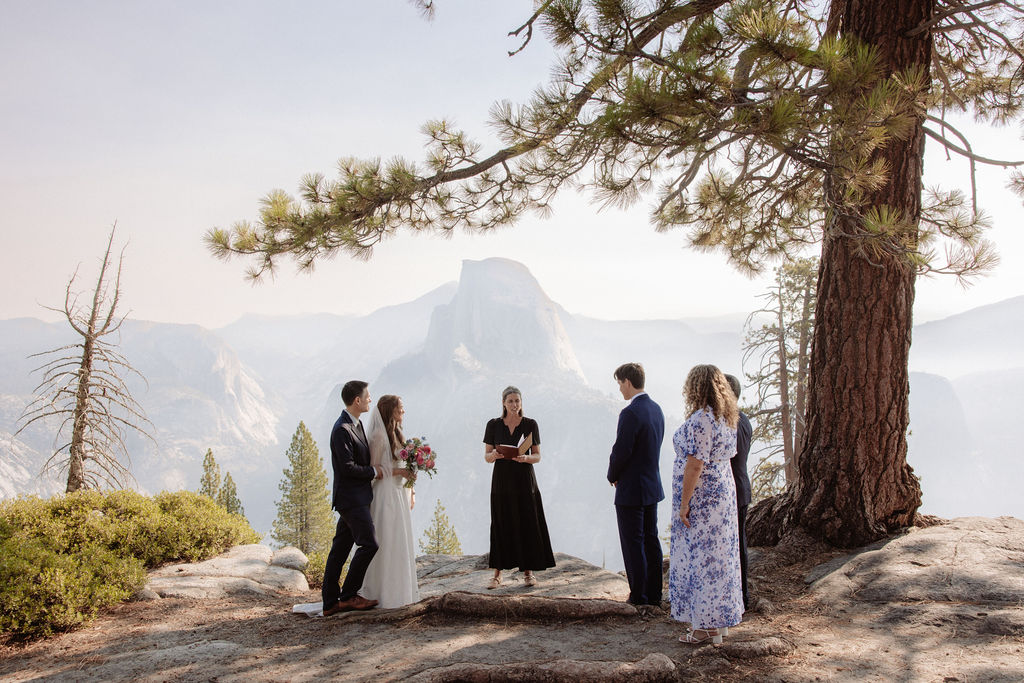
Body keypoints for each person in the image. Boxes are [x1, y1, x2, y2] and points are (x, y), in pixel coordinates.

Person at [321, 380, 412, 616]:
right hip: (351, 498)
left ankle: (331, 602)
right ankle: (349, 595)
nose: (370, 399)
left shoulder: (356, 425)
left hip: (359, 496)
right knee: (369, 544)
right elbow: (348, 467)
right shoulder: (342, 429)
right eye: (367, 396)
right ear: (357, 400)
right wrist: (376, 472)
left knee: (340, 550)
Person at [669, 365, 743, 644]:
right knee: (719, 561)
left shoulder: (702, 419)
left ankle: (703, 628)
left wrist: (685, 503)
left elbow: (695, 465)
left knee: (700, 561)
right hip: (721, 497)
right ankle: (717, 624)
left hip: (703, 501)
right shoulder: (726, 418)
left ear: (696, 388)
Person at [482, 385, 555, 589]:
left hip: (524, 479)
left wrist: (526, 458)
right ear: (503, 403)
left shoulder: (530, 424)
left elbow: (538, 456)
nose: (514, 404)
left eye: (517, 401)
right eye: (510, 401)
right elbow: (486, 456)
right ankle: (497, 574)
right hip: (502, 481)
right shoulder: (493, 425)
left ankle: (528, 573)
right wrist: (494, 455)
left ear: (521, 402)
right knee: (500, 522)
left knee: (527, 521)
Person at [607, 362, 665, 607]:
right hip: (652, 485)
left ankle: (639, 596)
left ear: (628, 382)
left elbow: (622, 450)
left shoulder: (630, 413)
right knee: (651, 540)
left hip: (631, 489)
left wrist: (612, 475)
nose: (620, 389)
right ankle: (654, 594)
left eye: (620, 383)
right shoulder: (656, 409)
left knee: (633, 543)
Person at [360, 394, 420, 608]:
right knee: (387, 539)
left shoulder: (397, 432)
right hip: (385, 494)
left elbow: (403, 463)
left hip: (398, 493)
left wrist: (410, 488)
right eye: (400, 408)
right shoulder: (377, 435)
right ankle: (382, 592)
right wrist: (400, 471)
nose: (403, 411)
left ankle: (400, 590)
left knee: (398, 539)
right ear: (389, 410)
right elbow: (375, 469)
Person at [724, 374, 753, 611]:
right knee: (739, 544)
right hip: (742, 486)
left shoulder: (729, 423)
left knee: (732, 545)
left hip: (731, 489)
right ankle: (742, 594)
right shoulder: (744, 420)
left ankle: (738, 597)